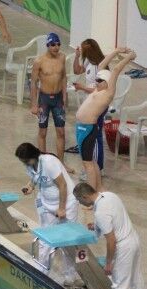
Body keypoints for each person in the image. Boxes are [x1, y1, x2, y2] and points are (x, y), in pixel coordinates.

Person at [73, 182, 147, 289]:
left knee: (119, 284)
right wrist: (97, 225)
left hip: (123, 246)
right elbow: (114, 216)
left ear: (84, 196)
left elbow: (111, 241)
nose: (79, 203)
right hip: (133, 239)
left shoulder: (100, 212)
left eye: (79, 199)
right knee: (136, 278)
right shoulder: (109, 195)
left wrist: (108, 263)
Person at [15, 143, 81, 288]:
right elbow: (35, 177)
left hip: (67, 203)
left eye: (26, 161)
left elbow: (63, 185)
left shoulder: (49, 162)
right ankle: (41, 272)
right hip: (47, 203)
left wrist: (62, 208)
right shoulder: (30, 164)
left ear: (33, 156)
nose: (25, 164)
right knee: (45, 238)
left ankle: (70, 277)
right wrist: (30, 186)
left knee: (68, 240)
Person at [75, 48, 136, 191]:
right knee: (91, 162)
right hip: (81, 127)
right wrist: (116, 51)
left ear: (108, 82)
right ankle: (98, 188)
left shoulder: (108, 93)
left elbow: (116, 70)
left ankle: (91, 195)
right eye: (96, 79)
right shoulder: (99, 89)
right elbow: (102, 65)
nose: (96, 82)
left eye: (100, 80)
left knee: (88, 164)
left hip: (87, 129)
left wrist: (129, 57)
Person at [70, 39, 116, 173]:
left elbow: (101, 90)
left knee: (96, 137)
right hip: (91, 104)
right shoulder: (88, 61)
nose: (82, 52)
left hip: (98, 106)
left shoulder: (100, 67)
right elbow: (77, 71)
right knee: (91, 137)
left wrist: (82, 87)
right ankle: (92, 167)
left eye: (83, 50)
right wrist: (77, 56)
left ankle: (98, 168)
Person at [29, 33, 70, 169]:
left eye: (58, 44)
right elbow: (33, 83)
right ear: (47, 45)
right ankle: (43, 164)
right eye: (53, 45)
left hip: (58, 99)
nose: (56, 47)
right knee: (42, 132)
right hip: (44, 100)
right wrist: (34, 105)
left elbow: (63, 77)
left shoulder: (62, 57)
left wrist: (64, 96)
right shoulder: (39, 61)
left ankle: (61, 163)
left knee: (61, 132)